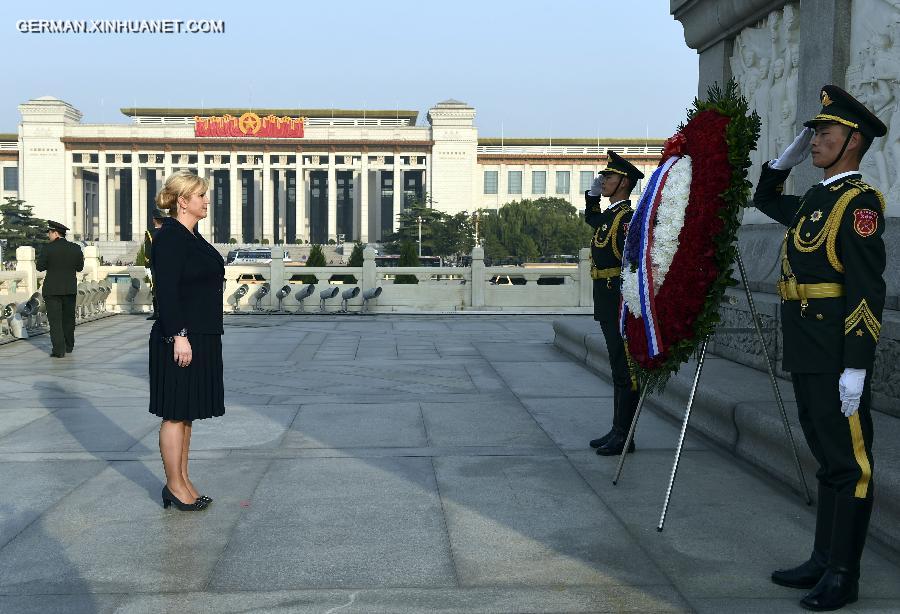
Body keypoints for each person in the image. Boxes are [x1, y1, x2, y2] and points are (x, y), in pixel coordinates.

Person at [753, 85, 887, 611]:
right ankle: (821, 557)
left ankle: (843, 574)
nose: (814, 141)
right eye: (813, 134)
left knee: (850, 464)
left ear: (852, 141)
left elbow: (865, 291)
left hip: (835, 353)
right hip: (806, 349)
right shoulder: (816, 198)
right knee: (827, 461)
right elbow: (765, 200)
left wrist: (856, 367)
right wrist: (780, 161)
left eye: (824, 134)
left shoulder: (860, 204)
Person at [150, 170, 226, 512]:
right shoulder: (170, 237)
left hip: (203, 334)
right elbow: (166, 291)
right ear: (183, 201)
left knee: (188, 413)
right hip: (180, 337)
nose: (206, 200)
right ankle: (174, 485)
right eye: (201, 196)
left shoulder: (192, 237)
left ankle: (183, 480)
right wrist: (179, 336)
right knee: (174, 413)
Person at [584, 151, 645, 456]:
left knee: (627, 370)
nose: (603, 181)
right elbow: (592, 218)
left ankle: (625, 434)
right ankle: (617, 429)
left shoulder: (626, 220)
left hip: (619, 302)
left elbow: (633, 264)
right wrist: (592, 196)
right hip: (606, 301)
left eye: (608, 177)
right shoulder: (610, 216)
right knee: (618, 370)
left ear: (624, 182)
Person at [35, 220, 84, 358]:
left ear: (55, 233)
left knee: (55, 321)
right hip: (70, 289)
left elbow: (40, 267)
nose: (48, 236)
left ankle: (59, 350)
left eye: (49, 233)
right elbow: (80, 268)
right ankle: (69, 346)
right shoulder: (75, 248)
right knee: (68, 319)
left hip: (52, 290)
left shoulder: (48, 248)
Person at [144, 211, 166, 320]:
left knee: (155, 289)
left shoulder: (150, 233)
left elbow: (147, 252)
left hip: (155, 266)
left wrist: (147, 265)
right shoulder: (169, 233)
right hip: (167, 266)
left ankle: (157, 313)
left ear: (154, 220)